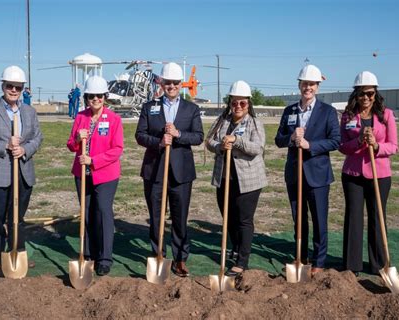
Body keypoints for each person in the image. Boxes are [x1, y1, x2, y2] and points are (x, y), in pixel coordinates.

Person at [0, 65, 43, 276]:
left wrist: (24, 149)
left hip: (23, 171)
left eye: (18, 87)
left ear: (23, 89)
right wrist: (5, 146)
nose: (13, 90)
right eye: (9, 86)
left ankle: (17, 251)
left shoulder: (29, 112)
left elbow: (38, 138)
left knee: (18, 217)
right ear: (2, 85)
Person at [135, 62, 203, 277]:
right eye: (168, 82)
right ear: (161, 83)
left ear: (180, 84)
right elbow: (140, 135)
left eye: (175, 82)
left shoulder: (191, 109)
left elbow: (198, 137)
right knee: (156, 217)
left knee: (180, 217)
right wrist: (158, 141)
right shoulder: (149, 107)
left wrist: (178, 134)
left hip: (181, 173)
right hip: (154, 171)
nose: (171, 86)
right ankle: (158, 255)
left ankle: (180, 258)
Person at [275, 64, 340, 275]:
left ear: (317, 87)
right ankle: (300, 257)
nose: (308, 87)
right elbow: (278, 140)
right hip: (295, 174)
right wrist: (292, 138)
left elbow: (335, 141)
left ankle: (319, 262)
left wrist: (310, 145)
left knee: (319, 220)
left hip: (318, 175)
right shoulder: (290, 111)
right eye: (304, 84)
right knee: (299, 219)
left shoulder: (328, 112)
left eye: (311, 84)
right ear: (299, 85)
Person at [339, 71, 399, 276]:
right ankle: (351, 265)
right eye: (362, 93)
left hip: (380, 175)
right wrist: (357, 142)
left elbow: (394, 146)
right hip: (353, 174)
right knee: (354, 218)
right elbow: (341, 146)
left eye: (370, 93)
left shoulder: (387, 115)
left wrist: (376, 146)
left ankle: (378, 265)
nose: (366, 98)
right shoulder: (347, 116)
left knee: (377, 216)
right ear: (356, 94)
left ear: (376, 94)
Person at [205, 80, 267, 276]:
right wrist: (220, 146)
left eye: (242, 103)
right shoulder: (222, 121)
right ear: (229, 103)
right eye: (234, 103)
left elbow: (257, 148)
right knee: (228, 218)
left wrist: (237, 140)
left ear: (249, 104)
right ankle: (236, 246)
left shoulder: (255, 123)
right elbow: (209, 141)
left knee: (244, 220)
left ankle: (242, 260)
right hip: (225, 178)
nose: (238, 107)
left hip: (248, 181)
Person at [67, 75, 124, 276]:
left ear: (104, 97)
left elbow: (117, 149)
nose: (95, 100)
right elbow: (71, 146)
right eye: (92, 96)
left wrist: (94, 161)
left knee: (103, 211)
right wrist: (76, 137)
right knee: (88, 211)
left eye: (99, 96)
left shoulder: (114, 119)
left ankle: (105, 257)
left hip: (105, 174)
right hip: (82, 173)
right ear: (87, 97)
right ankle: (89, 253)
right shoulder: (80, 117)